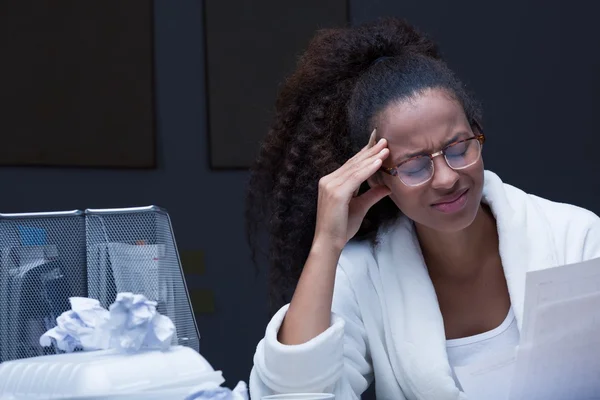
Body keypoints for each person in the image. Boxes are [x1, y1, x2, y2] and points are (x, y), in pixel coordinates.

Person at [244, 17, 600, 399]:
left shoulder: (574, 238)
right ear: (379, 178)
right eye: (414, 165)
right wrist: (326, 245)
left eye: (459, 147)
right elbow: (294, 393)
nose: (447, 178)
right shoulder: (365, 276)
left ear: (480, 134)